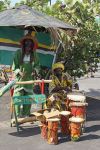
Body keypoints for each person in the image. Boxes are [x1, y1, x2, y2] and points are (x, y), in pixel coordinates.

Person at [12, 35, 40, 117]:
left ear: (32, 47)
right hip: (19, 80)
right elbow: (14, 66)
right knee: (18, 96)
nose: (28, 48)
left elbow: (37, 65)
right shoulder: (18, 53)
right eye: (26, 45)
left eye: (30, 46)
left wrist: (35, 70)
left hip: (29, 80)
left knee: (28, 97)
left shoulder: (34, 54)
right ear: (23, 45)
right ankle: (17, 116)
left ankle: (25, 114)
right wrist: (19, 72)